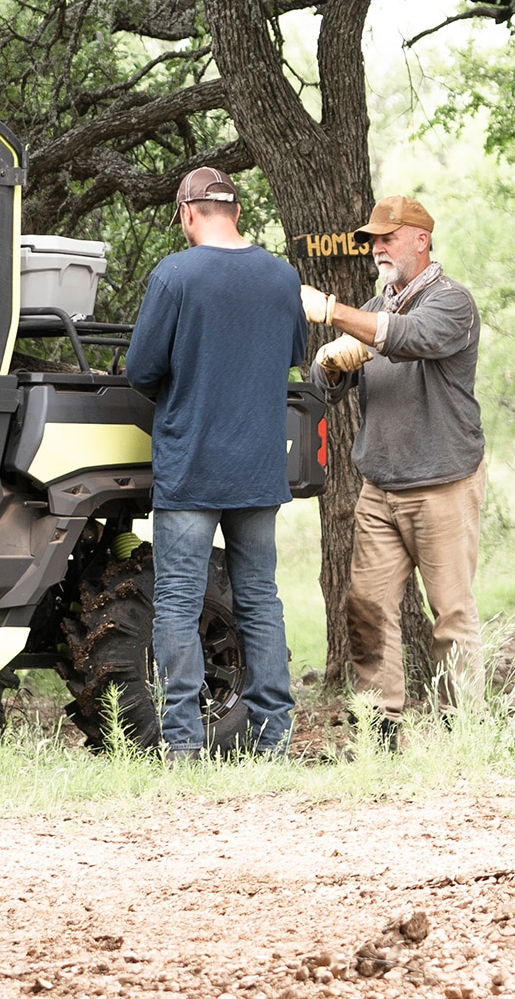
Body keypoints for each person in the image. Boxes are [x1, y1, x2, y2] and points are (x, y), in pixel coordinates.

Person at [121, 166, 306, 760]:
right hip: (257, 468)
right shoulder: (282, 277)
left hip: (192, 466)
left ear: (187, 213)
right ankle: (275, 738)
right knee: (259, 598)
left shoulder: (176, 274)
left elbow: (141, 371)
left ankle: (183, 744)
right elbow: (297, 352)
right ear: (237, 212)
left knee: (177, 598)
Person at [301, 195, 484, 741]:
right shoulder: (373, 307)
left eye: (387, 237)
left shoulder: (452, 303)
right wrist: (330, 366)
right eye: (373, 240)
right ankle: (382, 733)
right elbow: (323, 391)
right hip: (378, 488)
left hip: (443, 485)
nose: (377, 247)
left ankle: (464, 736)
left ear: (421, 240)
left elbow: (408, 338)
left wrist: (335, 313)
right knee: (366, 610)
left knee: (450, 615)